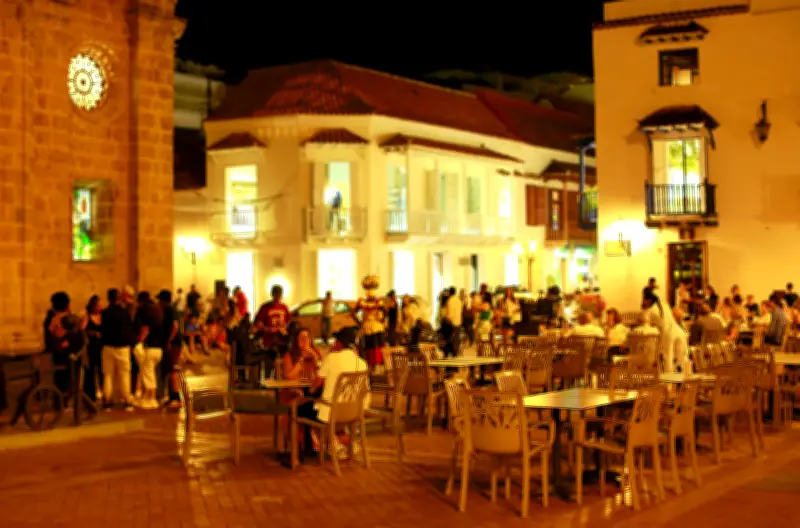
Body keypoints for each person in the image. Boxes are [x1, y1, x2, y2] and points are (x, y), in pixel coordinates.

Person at [298, 326, 369, 458]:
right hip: (353, 411)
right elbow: (365, 391)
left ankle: (324, 444)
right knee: (325, 413)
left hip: (332, 412)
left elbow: (315, 386)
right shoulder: (362, 363)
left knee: (302, 409)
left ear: (339, 343)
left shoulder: (332, 358)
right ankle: (342, 442)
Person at [100, 289, 134, 411]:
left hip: (108, 346)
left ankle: (107, 401)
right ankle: (126, 400)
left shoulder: (105, 313)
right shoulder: (125, 313)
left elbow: (102, 329)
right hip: (123, 347)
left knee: (108, 375)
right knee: (124, 374)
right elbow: (129, 328)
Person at [132, 292, 164, 409]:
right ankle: (149, 397)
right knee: (150, 373)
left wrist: (139, 341)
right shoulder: (157, 310)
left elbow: (145, 329)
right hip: (159, 348)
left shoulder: (144, 310)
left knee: (148, 374)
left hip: (150, 347)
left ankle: (151, 399)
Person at [253, 284, 292, 376]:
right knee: (269, 363)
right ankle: (267, 381)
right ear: (272, 294)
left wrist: (284, 328)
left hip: (282, 340)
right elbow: (258, 323)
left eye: (279, 295)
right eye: (276, 294)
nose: (277, 297)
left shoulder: (284, 307)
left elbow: (288, 321)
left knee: (281, 362)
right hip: (269, 340)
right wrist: (269, 330)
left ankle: (279, 380)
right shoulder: (265, 307)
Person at [157, 290, 181, 406]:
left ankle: (175, 395)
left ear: (163, 300)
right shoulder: (171, 310)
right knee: (170, 369)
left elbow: (175, 326)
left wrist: (169, 341)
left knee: (172, 369)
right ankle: (172, 395)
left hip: (173, 344)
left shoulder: (170, 310)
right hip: (174, 343)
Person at [355, 275, 385, 368]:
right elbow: (384, 313)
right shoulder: (379, 302)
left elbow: (353, 313)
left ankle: (371, 366)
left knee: (370, 347)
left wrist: (360, 322)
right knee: (376, 347)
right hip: (377, 326)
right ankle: (376, 366)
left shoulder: (362, 302)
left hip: (367, 326)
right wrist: (382, 321)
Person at [82, 295, 103, 404]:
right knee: (89, 373)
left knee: (102, 372)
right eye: (98, 305)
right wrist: (92, 333)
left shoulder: (103, 316)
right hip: (91, 348)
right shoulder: (87, 316)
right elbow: (82, 330)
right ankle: (90, 396)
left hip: (101, 348)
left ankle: (103, 394)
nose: (100, 307)